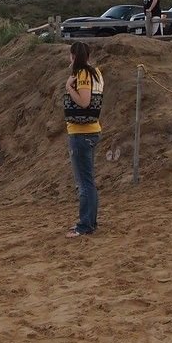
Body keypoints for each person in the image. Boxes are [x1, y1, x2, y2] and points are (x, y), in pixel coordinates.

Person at [63, 41, 103, 238]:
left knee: (84, 182)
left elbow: (85, 102)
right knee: (88, 180)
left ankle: (85, 225)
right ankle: (90, 221)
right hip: (91, 131)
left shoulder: (82, 75)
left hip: (81, 132)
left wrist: (69, 88)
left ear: (73, 56)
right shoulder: (96, 73)